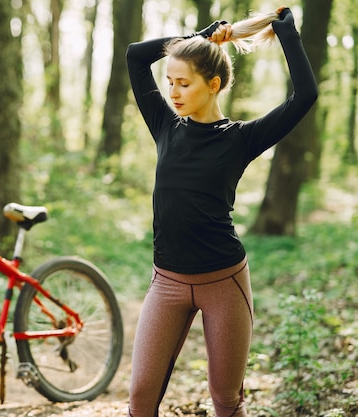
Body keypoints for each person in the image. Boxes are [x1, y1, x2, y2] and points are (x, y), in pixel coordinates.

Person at [125, 7, 318, 417]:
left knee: (225, 400)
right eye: (170, 83)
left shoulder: (241, 139)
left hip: (224, 282)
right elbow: (134, 56)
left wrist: (288, 37)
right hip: (167, 282)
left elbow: (305, 96)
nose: (174, 92)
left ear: (213, 85)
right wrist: (200, 37)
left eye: (184, 83)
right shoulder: (163, 123)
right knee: (141, 397)